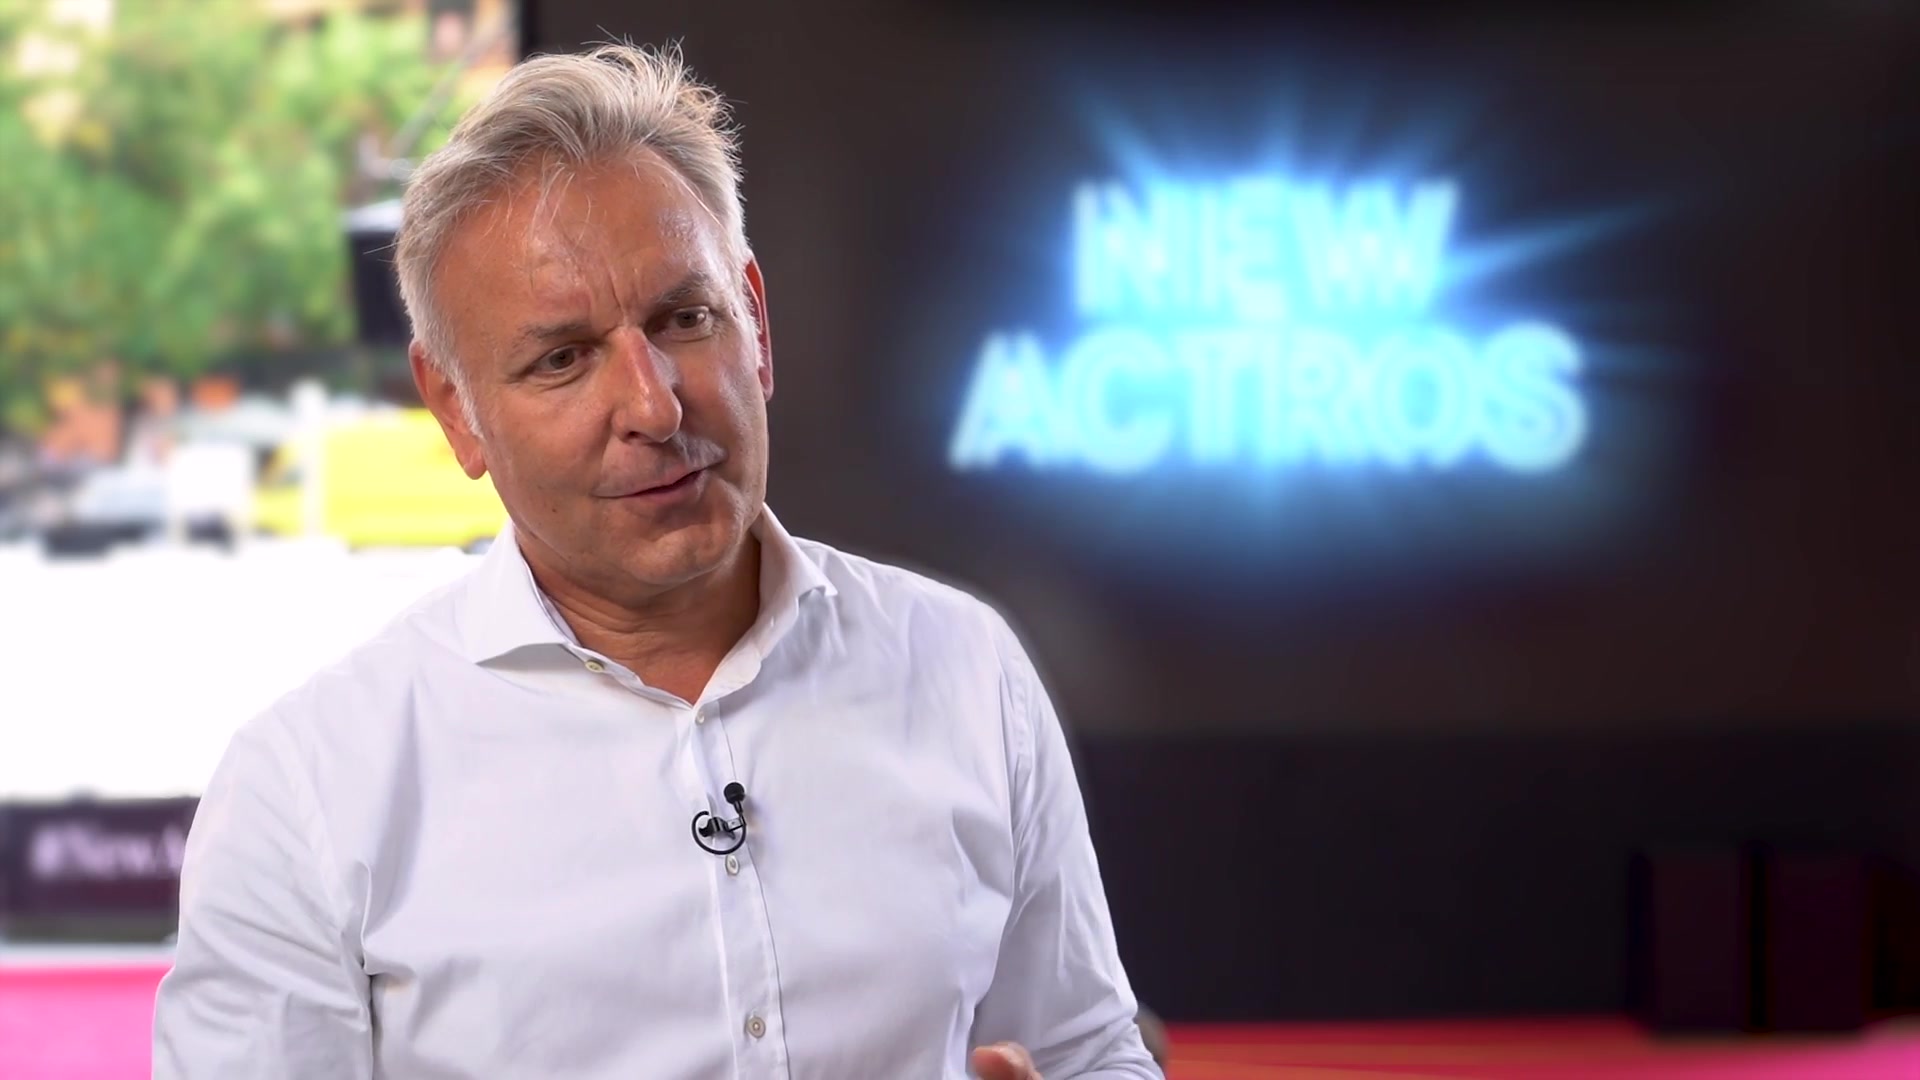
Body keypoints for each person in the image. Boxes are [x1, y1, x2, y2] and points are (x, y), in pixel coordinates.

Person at [152, 43, 1159, 1080]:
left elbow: (1087, 1051)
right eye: (562, 359)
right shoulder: (308, 788)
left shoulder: (966, 667)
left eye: (684, 319)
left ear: (755, 322)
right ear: (455, 408)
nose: (653, 405)